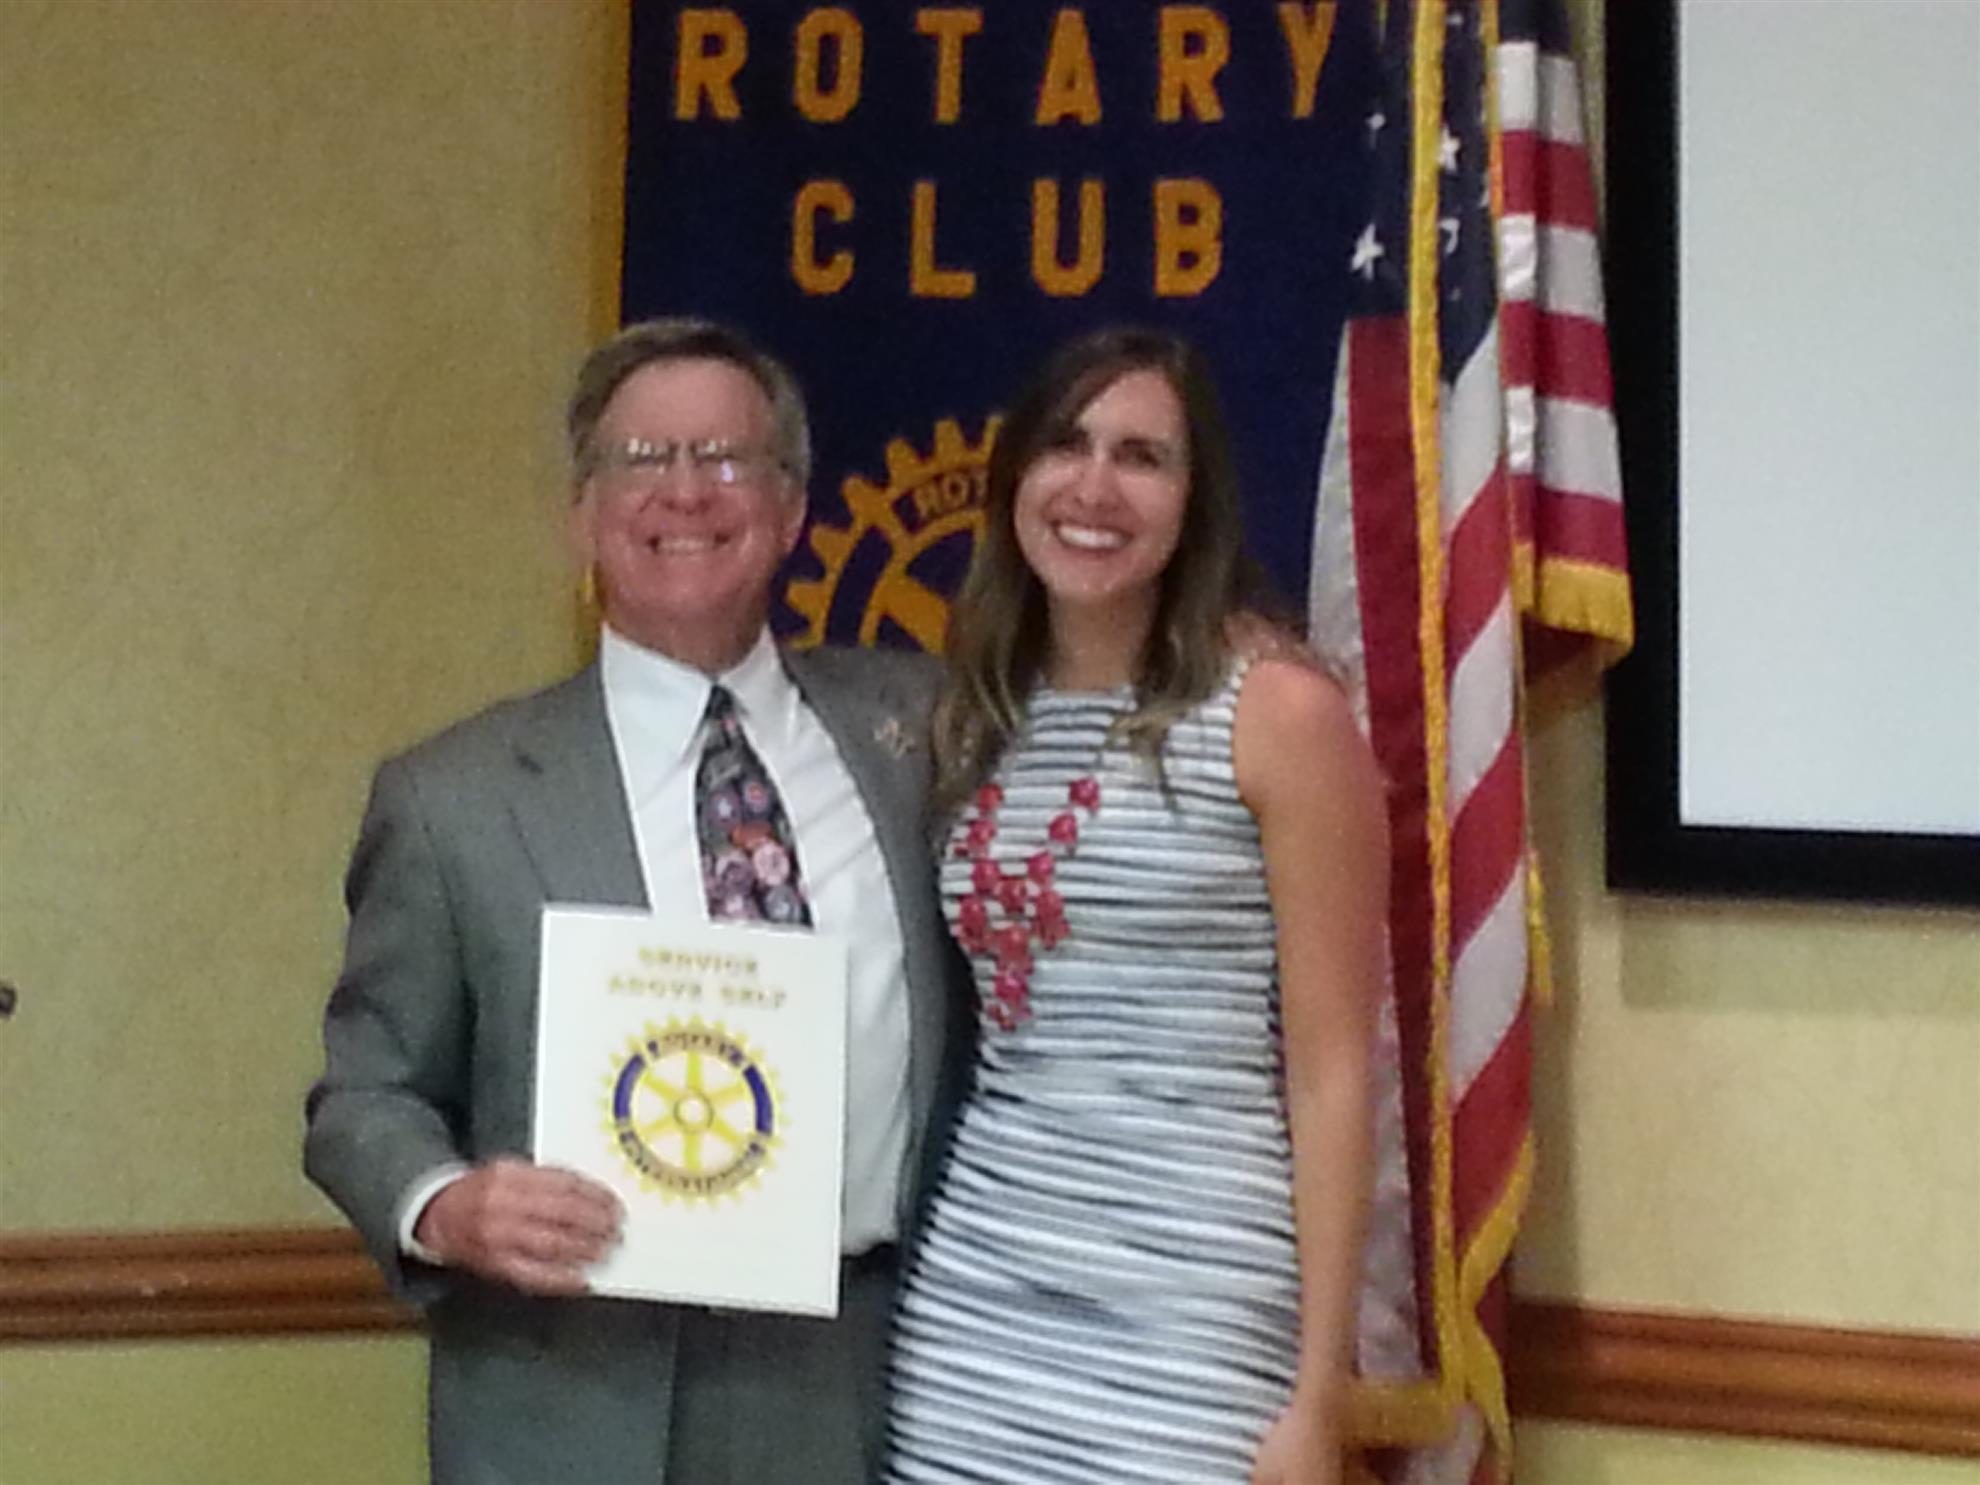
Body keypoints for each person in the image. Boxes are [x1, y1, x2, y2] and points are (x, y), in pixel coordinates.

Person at [304, 317, 970, 1485]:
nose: (686, 493)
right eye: (642, 460)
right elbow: (364, 1095)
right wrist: (443, 1204)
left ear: (792, 508)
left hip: (870, 1374)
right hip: (574, 1392)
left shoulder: (927, 734)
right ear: (581, 513)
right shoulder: (453, 799)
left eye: (726, 458)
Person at [885, 327, 1386, 1485]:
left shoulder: (1278, 714)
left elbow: (1333, 1075)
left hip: (1195, 1306)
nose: (1095, 487)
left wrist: (1319, 1395)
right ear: (1015, 475)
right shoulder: (976, 716)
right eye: (1066, 445)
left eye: (1143, 456)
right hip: (975, 1303)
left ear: (1194, 499)